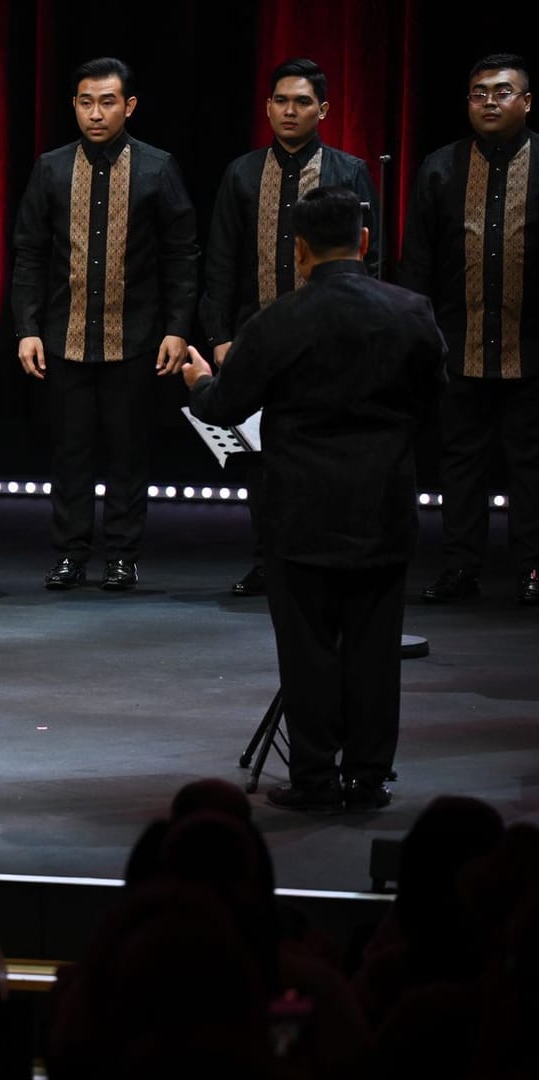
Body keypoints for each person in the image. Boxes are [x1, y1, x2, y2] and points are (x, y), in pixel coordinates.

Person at [185, 187, 446, 811]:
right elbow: (435, 403)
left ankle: (313, 780)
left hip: (299, 512)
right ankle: (368, 777)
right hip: (381, 507)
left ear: (299, 251)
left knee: (307, 653)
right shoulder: (411, 312)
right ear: (362, 241)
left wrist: (199, 381)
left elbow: (225, 406)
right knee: (375, 650)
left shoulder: (278, 320)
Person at [13, 57, 199, 592]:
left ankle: (122, 554)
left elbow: (182, 253)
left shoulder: (157, 168)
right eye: (86, 102)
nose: (96, 113)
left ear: (129, 106)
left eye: (108, 101)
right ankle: (70, 553)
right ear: (74, 105)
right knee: (69, 451)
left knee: (128, 451)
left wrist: (178, 327)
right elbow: (27, 253)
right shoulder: (50, 168)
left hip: (136, 336)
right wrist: (26, 327)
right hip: (64, 335)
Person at [200, 60, 379, 598]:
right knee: (264, 463)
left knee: (329, 458)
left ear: (322, 110)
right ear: (268, 107)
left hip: (335, 343)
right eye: (280, 101)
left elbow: (372, 260)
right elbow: (221, 261)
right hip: (259, 339)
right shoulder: (243, 173)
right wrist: (222, 338)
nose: (289, 111)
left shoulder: (349, 171)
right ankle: (269, 561)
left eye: (302, 102)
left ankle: (329, 561)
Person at [401, 54, 539, 606]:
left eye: (502, 92)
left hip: (532, 348)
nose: (488, 101)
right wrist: (419, 337)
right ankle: (461, 568)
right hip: (457, 346)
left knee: (532, 465)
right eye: (478, 92)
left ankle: (533, 569)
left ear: (526, 102)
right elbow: (418, 263)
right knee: (460, 464)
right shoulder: (440, 167)